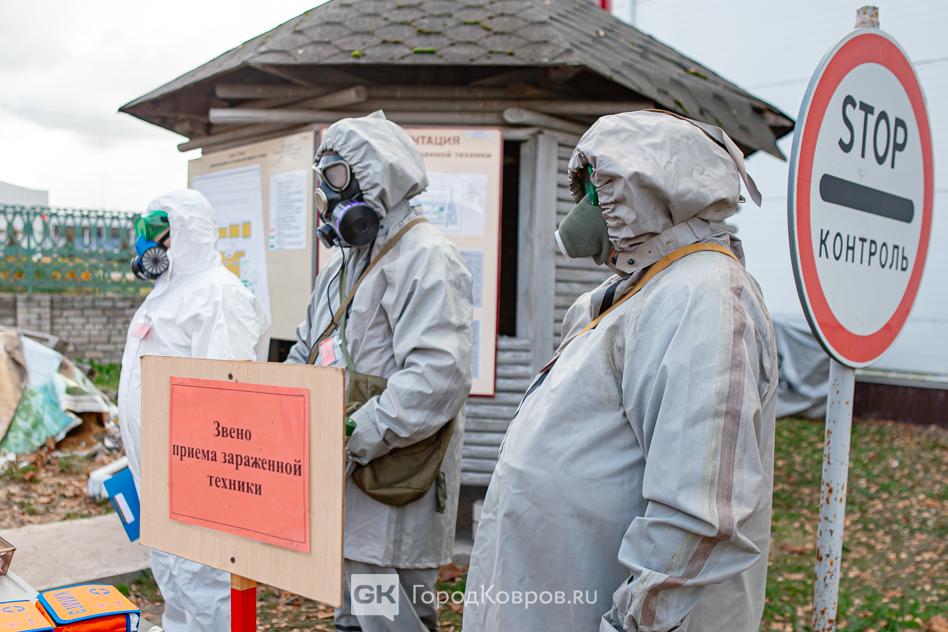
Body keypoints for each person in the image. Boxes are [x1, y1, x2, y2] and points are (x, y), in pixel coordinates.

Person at [464, 110, 778, 632]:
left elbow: (696, 518)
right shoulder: (634, 295)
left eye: (600, 188)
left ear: (651, 193)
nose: (585, 209)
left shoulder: (705, 297)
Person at [285, 111, 473, 632]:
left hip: (394, 475)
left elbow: (439, 375)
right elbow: (308, 347)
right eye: (323, 179)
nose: (326, 194)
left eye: (338, 177)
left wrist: (351, 433)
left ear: (376, 175)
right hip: (347, 470)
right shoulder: (343, 266)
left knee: (390, 609)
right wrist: (284, 412)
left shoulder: (425, 257)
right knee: (357, 602)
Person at [118, 189, 270, 632]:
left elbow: (228, 398)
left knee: (206, 585)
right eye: (144, 230)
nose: (147, 243)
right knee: (174, 580)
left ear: (186, 232)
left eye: (157, 231)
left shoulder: (217, 294)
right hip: (157, 477)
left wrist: (202, 480)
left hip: (196, 483)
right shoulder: (166, 291)